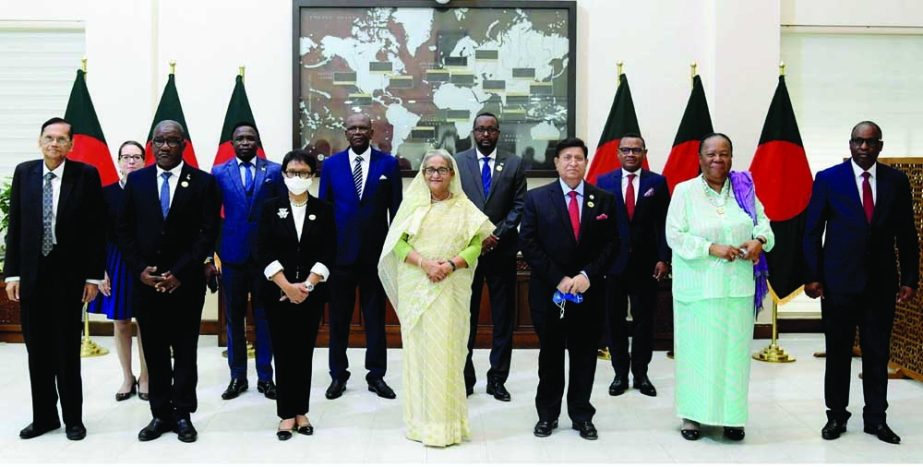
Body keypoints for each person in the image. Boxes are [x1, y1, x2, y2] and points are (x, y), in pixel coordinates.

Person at [803, 121, 918, 445]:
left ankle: (876, 419)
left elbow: (907, 235)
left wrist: (910, 277)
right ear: (850, 144)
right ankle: (836, 416)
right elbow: (812, 232)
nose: (864, 148)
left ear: (879, 146)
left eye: (870, 142)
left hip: (881, 284)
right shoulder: (828, 179)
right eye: (858, 142)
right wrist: (812, 276)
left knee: (877, 353)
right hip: (838, 282)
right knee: (838, 352)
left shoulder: (896, 181)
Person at [378, 149, 494, 447]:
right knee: (419, 355)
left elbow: (477, 244)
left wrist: (450, 265)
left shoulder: (464, 207)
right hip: (417, 288)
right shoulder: (413, 206)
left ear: (452, 174)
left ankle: (448, 425)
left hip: (451, 288)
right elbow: (398, 245)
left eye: (441, 170)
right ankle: (420, 425)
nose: (435, 175)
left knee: (449, 354)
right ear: (423, 174)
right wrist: (425, 264)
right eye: (429, 170)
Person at [665, 132, 774, 442]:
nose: (717, 159)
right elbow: (675, 236)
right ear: (700, 159)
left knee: (734, 357)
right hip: (697, 292)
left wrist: (759, 241)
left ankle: (732, 417)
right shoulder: (684, 192)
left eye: (724, 154)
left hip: (736, 291)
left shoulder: (744, 191)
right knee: (697, 356)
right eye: (711, 154)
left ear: (731, 158)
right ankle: (693, 417)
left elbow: (764, 226)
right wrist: (712, 247)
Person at [116, 120, 220, 443]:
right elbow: (124, 231)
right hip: (146, 283)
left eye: (171, 141)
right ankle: (160, 415)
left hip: (185, 285)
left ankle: (184, 414)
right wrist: (140, 269)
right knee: (155, 351)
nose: (164, 146)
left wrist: (181, 272)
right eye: (158, 141)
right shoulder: (137, 181)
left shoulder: (203, 183)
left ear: (183, 144)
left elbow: (207, 234)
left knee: (186, 351)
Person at [4, 117, 105, 441]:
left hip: (69, 278)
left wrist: (92, 276)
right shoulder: (25, 173)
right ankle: (44, 417)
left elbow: (95, 231)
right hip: (32, 278)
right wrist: (12, 274)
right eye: (49, 137)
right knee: (38, 352)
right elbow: (16, 227)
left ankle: (73, 419)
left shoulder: (85, 176)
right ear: (39, 141)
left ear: (71, 144)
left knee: (65, 351)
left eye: (62, 139)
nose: (54, 144)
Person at [519, 138, 619, 441]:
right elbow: (529, 243)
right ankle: (547, 416)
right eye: (567, 157)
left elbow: (612, 243)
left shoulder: (603, 199)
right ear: (557, 163)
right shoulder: (537, 198)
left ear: (585, 162)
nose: (573, 162)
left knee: (584, 356)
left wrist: (587, 275)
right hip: (549, 293)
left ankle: (581, 415)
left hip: (588, 293)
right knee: (550, 357)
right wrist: (559, 279)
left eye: (578, 157)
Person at [318, 112, 402, 400]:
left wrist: (394, 253)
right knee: (338, 320)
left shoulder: (388, 164)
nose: (357, 132)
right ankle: (337, 375)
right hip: (340, 258)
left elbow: (397, 212)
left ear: (371, 132)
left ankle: (376, 375)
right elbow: (324, 212)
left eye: (362, 128)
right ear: (345, 131)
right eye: (352, 127)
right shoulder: (330, 165)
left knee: (375, 319)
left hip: (374, 258)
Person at [256, 150, 335, 440]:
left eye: (304, 173)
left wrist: (307, 286)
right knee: (283, 352)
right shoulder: (269, 207)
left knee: (303, 353)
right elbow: (262, 249)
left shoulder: (324, 209)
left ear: (312, 176)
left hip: (311, 294)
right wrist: (286, 286)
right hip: (277, 293)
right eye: (292, 172)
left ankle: (302, 411)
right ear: (284, 175)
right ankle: (286, 414)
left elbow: (329, 251)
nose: (297, 178)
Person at [455, 112, 527, 401]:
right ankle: (466, 378)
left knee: (503, 318)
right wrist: (476, 236)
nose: (486, 134)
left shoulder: (514, 163)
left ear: (499, 133)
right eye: (480, 130)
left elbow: (520, 205)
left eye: (491, 130)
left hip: (502, 250)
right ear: (473, 132)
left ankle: (498, 379)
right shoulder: (459, 162)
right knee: (465, 317)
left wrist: (495, 234)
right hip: (466, 253)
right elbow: (454, 204)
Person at [210, 122, 283, 401]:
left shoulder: (273, 171)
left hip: (265, 258)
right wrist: (215, 252)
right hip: (232, 256)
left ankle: (266, 376)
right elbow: (212, 216)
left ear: (257, 142)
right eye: (239, 138)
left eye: (250, 138)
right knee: (234, 319)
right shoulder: (219, 172)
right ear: (232, 142)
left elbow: (280, 213)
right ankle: (237, 376)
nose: (244, 142)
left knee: (265, 317)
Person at [596, 133, 670, 398]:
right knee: (614, 322)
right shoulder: (604, 182)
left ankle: (641, 374)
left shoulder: (657, 183)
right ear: (618, 153)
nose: (631, 154)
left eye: (636, 150)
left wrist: (663, 257)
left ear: (644, 153)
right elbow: (599, 225)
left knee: (644, 322)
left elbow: (663, 224)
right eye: (626, 150)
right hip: (613, 266)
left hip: (646, 265)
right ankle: (619, 374)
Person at [88, 140, 149, 401]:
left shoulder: (152, 191)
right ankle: (127, 376)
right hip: (115, 262)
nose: (131, 161)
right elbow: (95, 234)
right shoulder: (105, 193)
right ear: (119, 162)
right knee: (121, 321)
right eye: (126, 157)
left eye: (136, 157)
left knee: (147, 322)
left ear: (145, 161)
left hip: (146, 261)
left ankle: (147, 377)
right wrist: (100, 269)